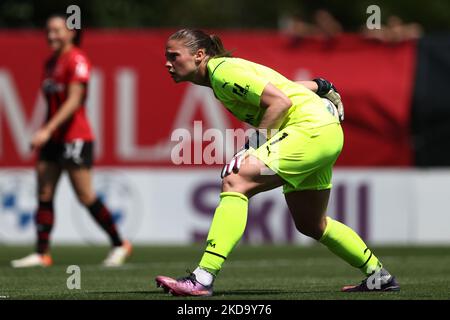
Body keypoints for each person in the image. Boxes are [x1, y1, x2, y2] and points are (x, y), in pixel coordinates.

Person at [155, 29, 400, 296]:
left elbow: (280, 103)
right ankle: (379, 276)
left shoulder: (222, 72)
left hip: (309, 131)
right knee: (311, 223)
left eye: (173, 56)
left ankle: (202, 278)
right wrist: (321, 85)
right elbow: (286, 90)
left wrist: (250, 149)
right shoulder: (221, 75)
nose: (167, 63)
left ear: (199, 55)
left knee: (235, 180)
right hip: (323, 133)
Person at [11, 14, 132, 268]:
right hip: (52, 138)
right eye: (48, 31)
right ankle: (42, 253)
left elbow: (75, 100)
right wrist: (46, 133)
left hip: (75, 137)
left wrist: (46, 129)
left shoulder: (77, 59)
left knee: (86, 196)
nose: (51, 35)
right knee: (44, 192)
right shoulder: (50, 62)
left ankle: (120, 244)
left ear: (72, 32)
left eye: (56, 30)